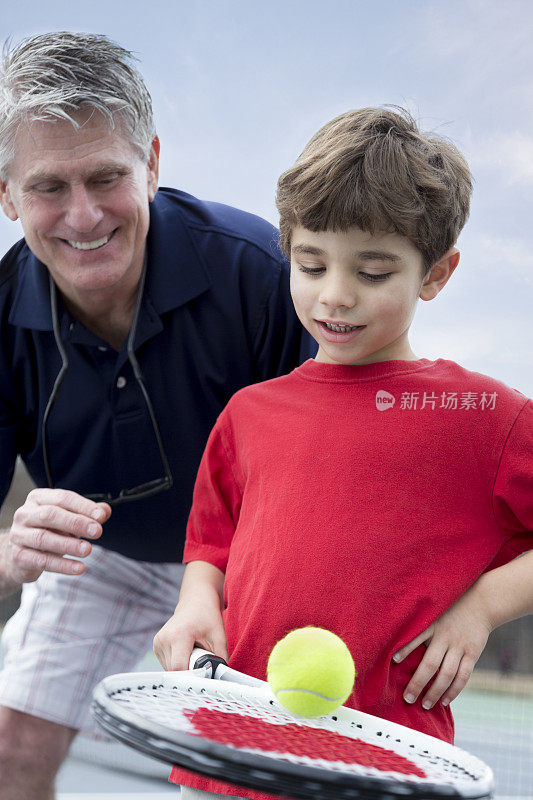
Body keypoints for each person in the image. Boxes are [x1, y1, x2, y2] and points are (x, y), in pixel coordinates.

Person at [153, 107, 533, 800]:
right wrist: (194, 604)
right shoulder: (247, 416)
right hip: (228, 756)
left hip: (386, 768)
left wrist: (479, 608)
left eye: (373, 270)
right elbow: (210, 550)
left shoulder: (486, 418)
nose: (335, 295)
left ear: (436, 274)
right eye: (310, 263)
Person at [0, 31, 314, 798]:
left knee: (235, 784)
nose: (81, 217)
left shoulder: (264, 275)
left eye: (106, 176)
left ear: (154, 164)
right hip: (97, 556)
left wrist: (216, 582)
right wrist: (12, 552)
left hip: (251, 560)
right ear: (6, 195)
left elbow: (329, 482)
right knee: (8, 751)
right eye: (47, 187)